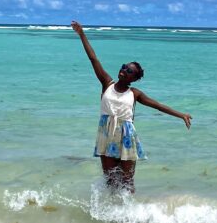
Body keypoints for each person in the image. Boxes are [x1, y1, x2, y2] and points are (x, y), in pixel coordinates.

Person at [71, 21, 191, 193]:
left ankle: (132, 215)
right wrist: (82, 34)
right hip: (106, 134)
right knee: (111, 181)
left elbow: (157, 106)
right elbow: (93, 59)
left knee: (127, 182)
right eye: (124, 67)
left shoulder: (134, 93)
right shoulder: (107, 83)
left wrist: (181, 115)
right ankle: (111, 216)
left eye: (129, 70)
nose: (124, 70)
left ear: (133, 78)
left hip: (126, 136)